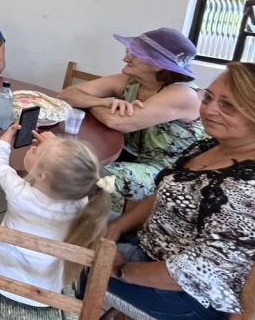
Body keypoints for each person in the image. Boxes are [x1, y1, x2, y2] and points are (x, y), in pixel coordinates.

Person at [104, 62, 255, 320]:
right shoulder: (213, 145)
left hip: (193, 298)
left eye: (229, 105)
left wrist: (120, 269)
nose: (209, 110)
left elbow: (200, 270)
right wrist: (116, 227)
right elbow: (165, 194)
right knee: (69, 220)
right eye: (209, 97)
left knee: (63, 262)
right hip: (153, 247)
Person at [57, 28, 203, 210]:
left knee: (94, 175)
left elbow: (118, 122)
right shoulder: (131, 81)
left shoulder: (183, 94)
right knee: (71, 158)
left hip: (165, 171)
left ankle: (95, 223)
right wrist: (104, 102)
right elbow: (67, 94)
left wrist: (96, 104)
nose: (126, 58)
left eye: (135, 53)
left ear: (157, 64)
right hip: (126, 154)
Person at [0, 127, 110, 305]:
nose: (32, 148)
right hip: (46, 294)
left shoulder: (19, 191)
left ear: (42, 175)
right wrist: (54, 150)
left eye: (36, 151)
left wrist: (8, 135)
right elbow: (73, 171)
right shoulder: (82, 204)